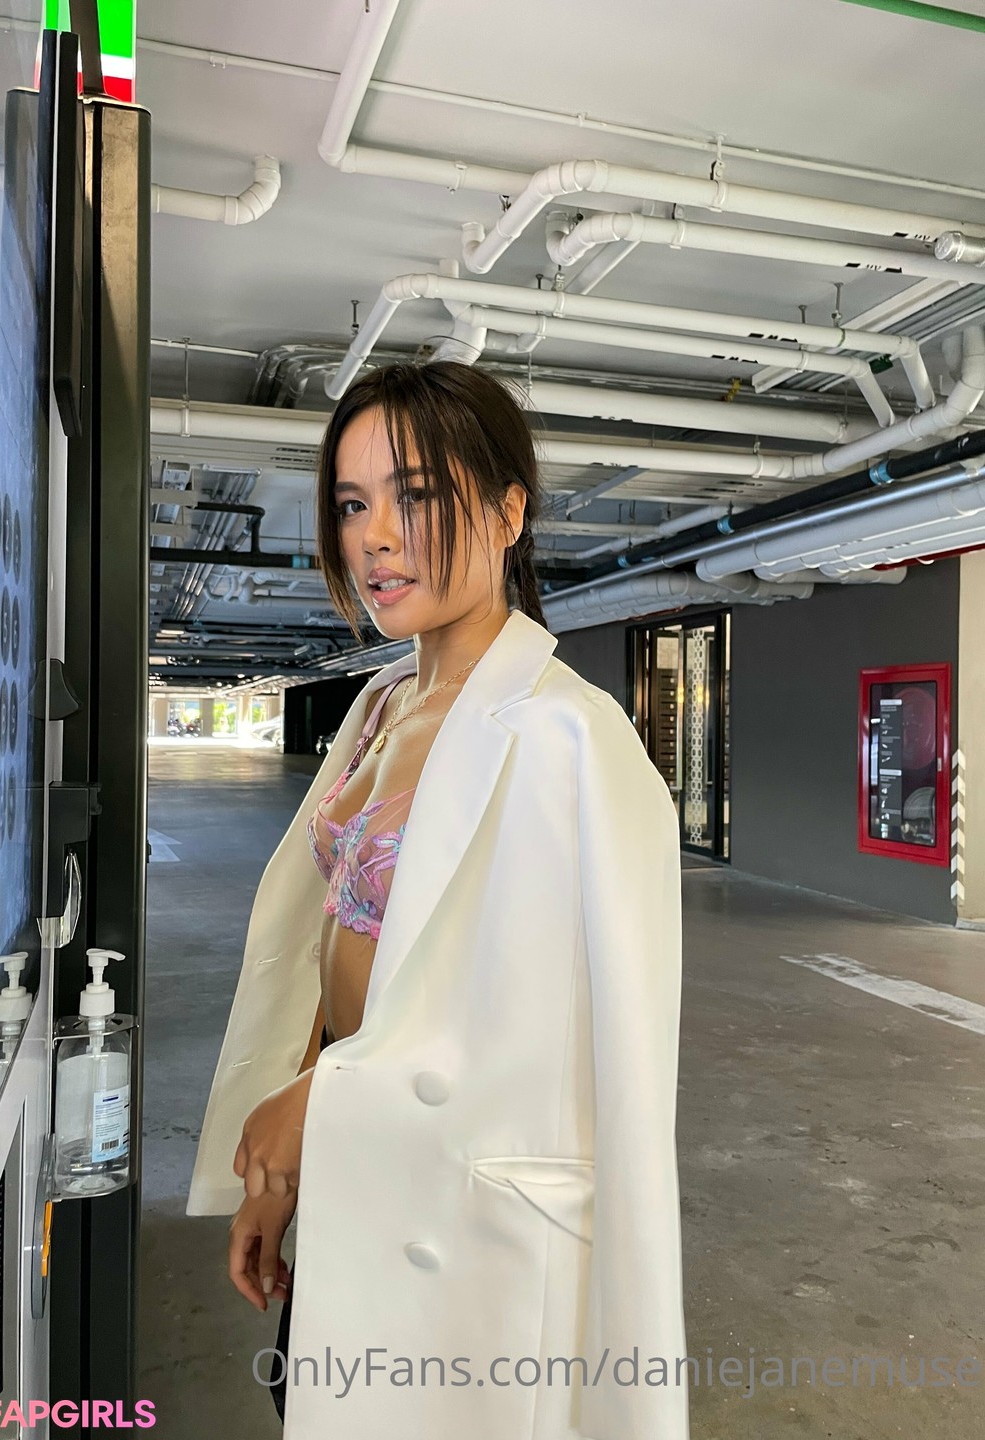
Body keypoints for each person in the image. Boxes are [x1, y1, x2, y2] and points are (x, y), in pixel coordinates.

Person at [186, 361, 690, 1439]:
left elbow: (566, 1042)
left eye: (414, 496)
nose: (373, 537)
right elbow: (337, 941)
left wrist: (320, 1106)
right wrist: (289, 1151)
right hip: (357, 1158)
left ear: (509, 512)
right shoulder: (382, 703)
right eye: (351, 504)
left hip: (463, 1219)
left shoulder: (568, 738)